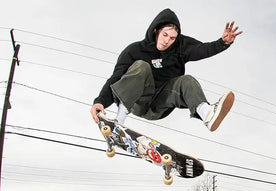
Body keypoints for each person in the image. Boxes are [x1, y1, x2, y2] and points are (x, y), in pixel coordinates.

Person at [90, 8, 242, 132]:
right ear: (156, 31)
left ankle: (206, 113)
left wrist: (222, 43)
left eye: (172, 38)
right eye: (165, 35)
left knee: (187, 80)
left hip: (159, 105)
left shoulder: (180, 46)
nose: (167, 41)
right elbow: (116, 78)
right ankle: (120, 120)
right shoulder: (134, 50)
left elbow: (201, 50)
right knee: (142, 66)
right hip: (137, 101)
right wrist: (100, 102)